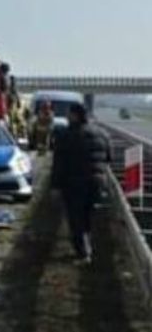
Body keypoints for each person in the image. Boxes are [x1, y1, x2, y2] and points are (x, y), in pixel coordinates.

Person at [52, 102, 112, 265]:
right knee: (87, 217)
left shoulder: (65, 135)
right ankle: (88, 249)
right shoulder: (103, 134)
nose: (67, 117)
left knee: (76, 219)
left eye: (69, 114)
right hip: (97, 183)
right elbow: (108, 158)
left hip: (74, 184)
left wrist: (55, 186)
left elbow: (59, 164)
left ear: (75, 115)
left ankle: (83, 254)